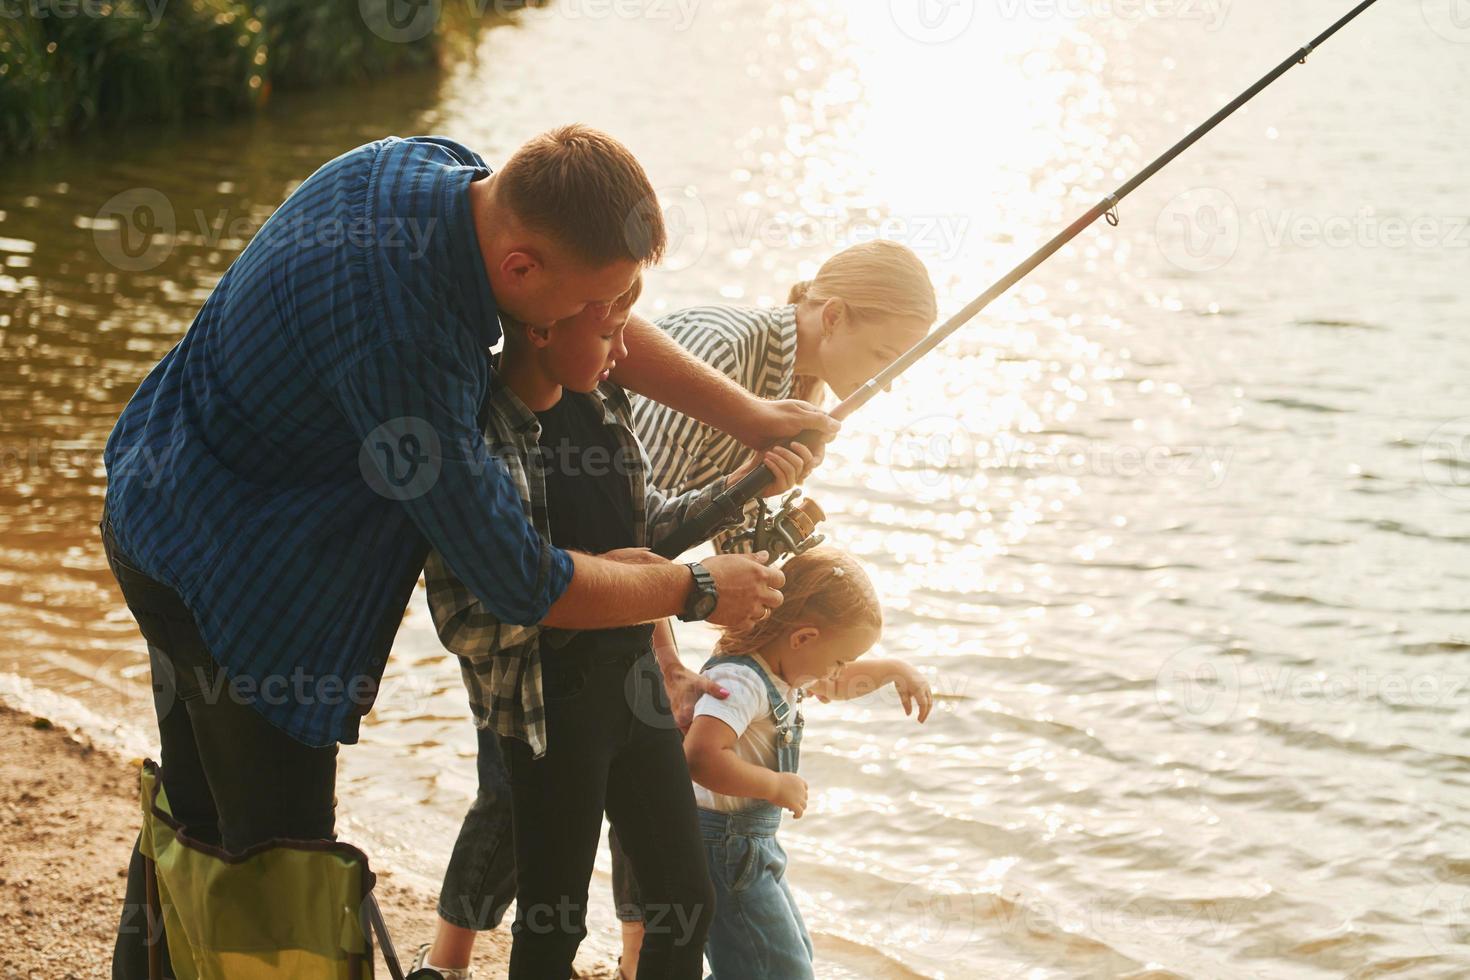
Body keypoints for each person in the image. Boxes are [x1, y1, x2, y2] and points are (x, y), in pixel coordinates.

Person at [100, 125, 836, 979]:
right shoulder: (409, 343)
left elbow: (595, 332)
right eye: (595, 305)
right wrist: (695, 588)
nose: (613, 324)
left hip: (156, 501)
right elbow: (521, 579)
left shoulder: (438, 174)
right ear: (522, 271)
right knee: (279, 868)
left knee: (192, 820)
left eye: (627, 298)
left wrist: (750, 416)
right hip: (237, 580)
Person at [419, 272, 817, 979]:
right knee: (554, 922)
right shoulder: (487, 431)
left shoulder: (603, 399)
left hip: (631, 689)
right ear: (541, 326)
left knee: (685, 902)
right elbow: (516, 595)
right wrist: (691, 590)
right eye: (609, 333)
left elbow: (647, 530)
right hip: (551, 709)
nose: (624, 349)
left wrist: (750, 481)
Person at [611, 237, 939, 975]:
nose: (885, 382)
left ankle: (637, 966)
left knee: (653, 797)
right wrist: (664, 657)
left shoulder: (803, 389)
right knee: (548, 808)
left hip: (643, 603)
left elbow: (720, 535)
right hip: (571, 585)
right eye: (884, 354)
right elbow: (624, 522)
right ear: (832, 314)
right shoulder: (726, 353)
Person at [684, 545, 932, 979]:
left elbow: (836, 685)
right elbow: (701, 757)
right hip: (725, 849)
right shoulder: (741, 681)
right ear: (803, 638)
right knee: (779, 969)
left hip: (751, 845)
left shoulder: (784, 667)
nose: (837, 671)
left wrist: (894, 669)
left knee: (785, 954)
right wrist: (775, 786)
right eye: (839, 658)